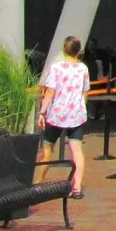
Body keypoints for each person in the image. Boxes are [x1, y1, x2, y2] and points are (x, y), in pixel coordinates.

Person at [37, 36, 91, 198]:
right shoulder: (83, 69)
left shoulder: (56, 68)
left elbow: (50, 92)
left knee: (47, 150)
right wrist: (82, 106)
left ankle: (38, 184)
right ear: (78, 51)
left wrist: (42, 112)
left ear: (64, 49)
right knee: (77, 151)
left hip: (57, 115)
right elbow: (85, 91)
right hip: (76, 115)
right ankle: (77, 187)